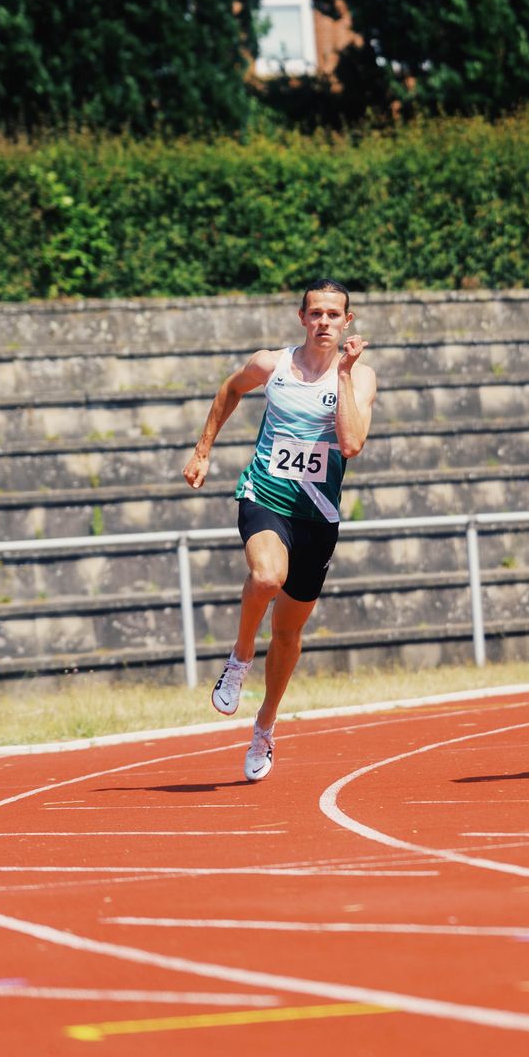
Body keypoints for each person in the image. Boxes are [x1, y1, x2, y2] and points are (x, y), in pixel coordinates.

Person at [182, 279, 378, 780]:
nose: (325, 322)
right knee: (266, 576)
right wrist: (204, 449)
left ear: (347, 322)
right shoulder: (272, 365)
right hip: (265, 497)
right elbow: (230, 389)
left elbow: (352, 444)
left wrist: (346, 376)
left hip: (318, 518)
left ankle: (265, 726)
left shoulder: (361, 377)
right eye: (316, 313)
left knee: (289, 633)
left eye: (334, 315)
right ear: (302, 317)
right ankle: (240, 656)